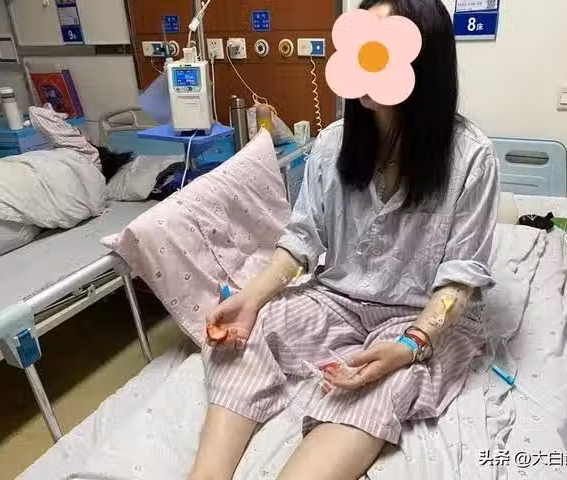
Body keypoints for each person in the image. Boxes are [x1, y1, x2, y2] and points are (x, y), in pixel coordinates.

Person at [189, 0, 500, 478]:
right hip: (337, 301)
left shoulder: (472, 159)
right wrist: (252, 299)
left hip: (419, 315)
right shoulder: (333, 143)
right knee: (245, 335)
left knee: (383, 380)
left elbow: (459, 282)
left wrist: (412, 343)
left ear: (425, 60)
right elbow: (301, 240)